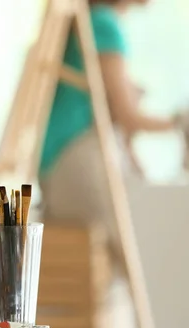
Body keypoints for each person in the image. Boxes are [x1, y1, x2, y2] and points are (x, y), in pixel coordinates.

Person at [39, 0, 189, 260]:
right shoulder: (103, 23)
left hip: (57, 163)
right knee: (145, 250)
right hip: (74, 160)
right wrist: (179, 122)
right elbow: (127, 116)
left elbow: (116, 115)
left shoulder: (93, 21)